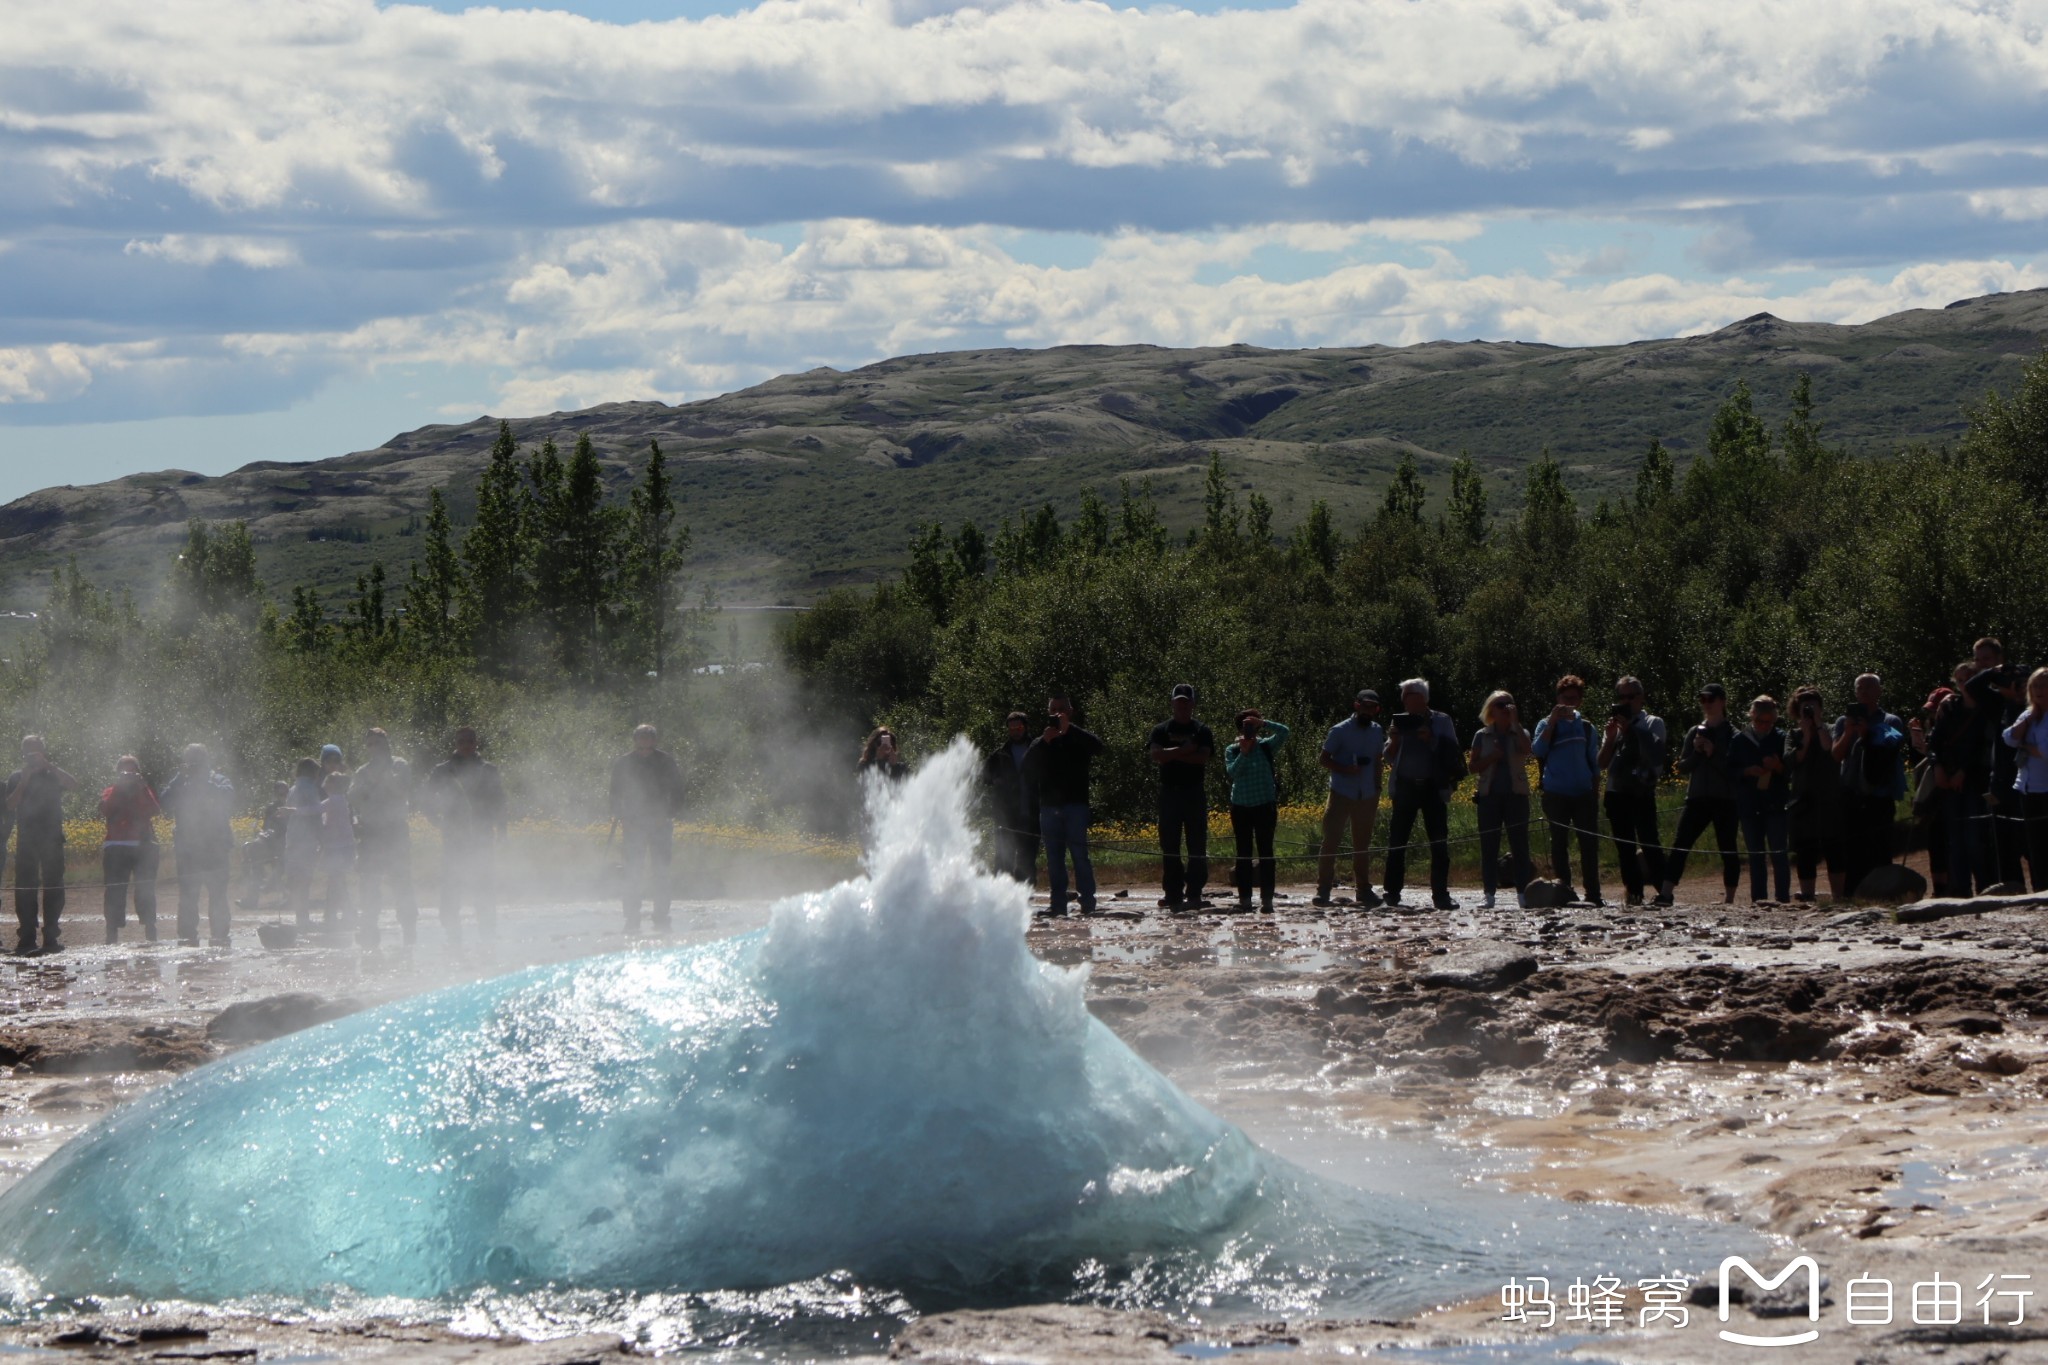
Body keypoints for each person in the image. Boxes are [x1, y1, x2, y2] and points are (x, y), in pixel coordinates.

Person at [1658, 683, 1740, 907]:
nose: (1706, 704)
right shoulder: (1694, 731)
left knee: (1728, 847)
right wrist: (1696, 751)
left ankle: (1730, 898)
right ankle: (1666, 893)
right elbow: (1682, 767)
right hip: (1696, 798)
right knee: (1680, 844)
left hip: (1725, 799)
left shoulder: (1733, 734)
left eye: (1710, 699)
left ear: (1722, 701)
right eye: (1702, 699)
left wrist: (1714, 753)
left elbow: (1735, 770)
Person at [1381, 679, 1460, 910]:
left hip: (1433, 786)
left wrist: (1431, 739)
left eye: (1408, 695)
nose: (1404, 699)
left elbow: (1453, 752)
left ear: (1421, 697)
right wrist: (1394, 739)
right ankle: (1392, 894)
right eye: (1403, 696)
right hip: (1405, 786)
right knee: (1397, 841)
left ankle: (1441, 894)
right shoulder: (1400, 719)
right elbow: (1388, 756)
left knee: (1438, 841)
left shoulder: (1442, 721)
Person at [1023, 694, 1105, 917]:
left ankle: (1088, 903)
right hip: (1049, 808)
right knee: (1054, 858)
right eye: (1053, 710)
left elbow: (1099, 747)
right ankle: (1058, 905)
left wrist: (1071, 729)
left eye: (1061, 709)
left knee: (1080, 855)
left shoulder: (1079, 736)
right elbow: (1026, 768)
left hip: (1076, 806)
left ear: (1070, 711)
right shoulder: (1042, 741)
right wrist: (1044, 741)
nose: (1057, 713)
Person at [423, 727, 507, 942]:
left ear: (476, 742)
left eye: (469, 741)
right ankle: (452, 932)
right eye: (461, 741)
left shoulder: (489, 770)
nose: (466, 745)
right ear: (456, 743)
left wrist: (503, 829)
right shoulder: (443, 771)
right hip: (454, 834)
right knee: (452, 882)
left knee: (484, 882)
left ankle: (487, 931)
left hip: (482, 834)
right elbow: (427, 799)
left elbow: (499, 801)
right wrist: (437, 821)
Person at [1831, 673, 1906, 897]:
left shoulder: (1890, 721)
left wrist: (1867, 736)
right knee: (1853, 849)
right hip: (1851, 793)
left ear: (1879, 691)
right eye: (1860, 688)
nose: (1864, 692)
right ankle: (1853, 896)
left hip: (1879, 794)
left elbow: (1890, 753)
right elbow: (1836, 755)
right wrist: (1849, 732)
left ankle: (1883, 895)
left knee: (1880, 847)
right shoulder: (1844, 722)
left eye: (1869, 688)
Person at [1530, 674, 1602, 906]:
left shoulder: (1587, 727)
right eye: (1564, 698)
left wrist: (1595, 790)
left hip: (1583, 792)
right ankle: (1564, 892)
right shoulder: (1545, 723)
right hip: (1556, 792)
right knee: (1559, 843)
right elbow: (1538, 750)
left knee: (1588, 844)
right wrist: (1552, 721)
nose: (1568, 703)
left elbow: (1594, 761)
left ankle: (1594, 894)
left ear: (1579, 700)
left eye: (1573, 698)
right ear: (1558, 698)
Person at [1597, 676, 1668, 906]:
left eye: (1631, 696)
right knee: (1624, 847)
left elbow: (1654, 753)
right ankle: (1634, 893)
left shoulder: (1652, 722)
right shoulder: (1615, 727)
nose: (1626, 702)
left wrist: (1631, 731)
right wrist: (1609, 739)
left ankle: (1664, 891)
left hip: (1641, 791)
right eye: (1622, 697)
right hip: (1616, 792)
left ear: (1641, 697)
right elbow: (1602, 762)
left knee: (1649, 842)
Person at [609, 723, 686, 933]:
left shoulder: (665, 761)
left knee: (661, 869)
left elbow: (678, 791)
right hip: (633, 823)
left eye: (649, 737)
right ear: (635, 740)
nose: (645, 741)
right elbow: (615, 793)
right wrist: (621, 816)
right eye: (642, 737)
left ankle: (661, 913)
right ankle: (632, 914)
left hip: (659, 822)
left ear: (655, 739)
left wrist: (668, 814)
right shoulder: (624, 763)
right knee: (633, 870)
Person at [6, 736, 78, 954]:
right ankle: (27, 935)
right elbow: (10, 805)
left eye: (36, 752)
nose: (32, 757)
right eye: (28, 753)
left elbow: (74, 785)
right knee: (25, 887)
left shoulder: (52, 773)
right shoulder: (17, 776)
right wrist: (24, 781)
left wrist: (50, 767)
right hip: (27, 839)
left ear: (43, 752)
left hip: (52, 836)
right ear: (23, 755)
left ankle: (51, 935)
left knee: (54, 886)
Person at [1315, 690, 1385, 909]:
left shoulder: (1377, 731)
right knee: (1331, 841)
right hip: (1341, 792)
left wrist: (1377, 786)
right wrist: (1345, 768)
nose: (1367, 710)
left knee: (1362, 844)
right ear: (1356, 706)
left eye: (1372, 707)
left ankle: (1363, 889)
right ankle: (1323, 889)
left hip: (1367, 794)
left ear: (1376, 710)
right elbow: (1323, 759)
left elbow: (1377, 759)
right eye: (1364, 706)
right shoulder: (1339, 730)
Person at [159, 743, 235, 946]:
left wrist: (204, 782)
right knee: (188, 896)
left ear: (206, 761)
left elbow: (228, 798)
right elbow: (163, 804)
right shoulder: (180, 783)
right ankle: (186, 938)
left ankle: (220, 936)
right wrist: (178, 779)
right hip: (188, 850)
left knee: (218, 894)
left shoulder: (219, 780)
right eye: (190, 760)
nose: (193, 765)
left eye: (197, 760)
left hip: (216, 848)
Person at [1149, 684, 1215, 910]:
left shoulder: (1202, 730)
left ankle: (1195, 891)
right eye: (1179, 701)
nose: (1182, 705)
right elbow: (1156, 755)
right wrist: (1184, 751)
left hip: (1194, 792)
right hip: (1169, 793)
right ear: (1172, 703)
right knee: (1169, 845)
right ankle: (1172, 893)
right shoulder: (1161, 729)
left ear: (1193, 704)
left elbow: (1203, 758)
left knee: (1197, 844)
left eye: (1186, 701)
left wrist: (1174, 755)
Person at [1469, 691, 1533, 910]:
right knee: (1489, 846)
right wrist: (1492, 757)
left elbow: (1528, 750)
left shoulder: (1520, 732)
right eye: (1500, 704)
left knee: (1520, 845)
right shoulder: (1481, 735)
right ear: (1491, 710)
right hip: (1489, 796)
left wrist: (1515, 725)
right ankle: (1488, 894)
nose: (1505, 708)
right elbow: (1472, 766)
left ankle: (1523, 893)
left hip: (1516, 795)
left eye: (1509, 704)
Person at [353, 729, 417, 947]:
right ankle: (369, 931)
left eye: (378, 743)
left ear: (387, 744)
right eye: (370, 744)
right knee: (369, 884)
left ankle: (409, 931)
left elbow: (402, 789)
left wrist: (383, 778)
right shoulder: (363, 771)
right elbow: (353, 796)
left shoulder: (399, 765)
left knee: (401, 882)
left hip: (394, 831)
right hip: (371, 834)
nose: (375, 748)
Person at [1224, 708, 1289, 913]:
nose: (1249, 728)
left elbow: (1285, 732)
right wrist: (1244, 752)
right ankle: (1245, 899)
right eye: (1246, 725)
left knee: (1266, 852)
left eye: (1252, 724)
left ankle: (1267, 900)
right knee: (1243, 853)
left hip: (1264, 805)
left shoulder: (1266, 746)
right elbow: (1233, 772)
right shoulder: (1232, 749)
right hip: (1241, 807)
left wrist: (1265, 723)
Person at [1787, 686, 1846, 901]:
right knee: (1805, 850)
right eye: (1805, 708)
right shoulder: (1793, 735)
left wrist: (1818, 726)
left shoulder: (1831, 729)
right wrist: (1805, 734)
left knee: (1834, 847)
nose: (1810, 712)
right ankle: (1807, 894)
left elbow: (1829, 750)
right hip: (1803, 799)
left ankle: (1838, 895)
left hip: (1829, 797)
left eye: (1813, 707)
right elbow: (1794, 760)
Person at [1732, 696, 1792, 904]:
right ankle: (1759, 899)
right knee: (1755, 854)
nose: (1764, 726)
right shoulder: (1739, 740)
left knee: (1778, 852)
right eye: (1760, 721)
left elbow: (1790, 771)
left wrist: (1777, 767)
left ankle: (1783, 898)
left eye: (1769, 721)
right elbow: (1730, 770)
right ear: (1752, 717)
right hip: (1749, 804)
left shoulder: (1782, 738)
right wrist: (1747, 771)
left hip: (1775, 802)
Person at [100, 756, 161, 944]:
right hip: (117, 846)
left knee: (146, 890)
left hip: (143, 845)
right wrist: (119, 787)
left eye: (132, 772)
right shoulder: (110, 790)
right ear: (117, 773)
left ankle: (150, 931)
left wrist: (142, 788)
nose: (128, 776)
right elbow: (106, 810)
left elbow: (155, 810)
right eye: (124, 772)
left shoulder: (144, 790)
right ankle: (112, 933)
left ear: (138, 773)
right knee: (114, 891)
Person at [2003, 668, 2048, 891]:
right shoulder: (2028, 714)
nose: (2040, 691)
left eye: (2044, 685)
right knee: (2034, 846)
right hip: (2028, 788)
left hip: (2046, 787)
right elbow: (2009, 738)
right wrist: (2026, 722)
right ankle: (2040, 890)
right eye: (2036, 686)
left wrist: (2028, 747)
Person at [983, 712, 1039, 884]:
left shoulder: (1037, 748)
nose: (1015, 731)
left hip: (1031, 811)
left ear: (1026, 727)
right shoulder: (1000, 754)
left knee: (1027, 856)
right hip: (1006, 814)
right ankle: (1001, 894)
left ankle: (1025, 895)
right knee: (1003, 855)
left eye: (1019, 727)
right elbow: (984, 776)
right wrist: (996, 779)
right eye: (1012, 728)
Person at [282, 756, 325, 928]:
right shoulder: (310, 788)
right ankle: (303, 919)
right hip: (306, 840)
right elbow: (316, 813)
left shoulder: (293, 788)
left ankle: (301, 916)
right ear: (313, 772)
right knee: (305, 879)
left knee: (297, 879)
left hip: (293, 838)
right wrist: (322, 837)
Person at [318, 770, 356, 927]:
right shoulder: (341, 800)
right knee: (336, 881)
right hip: (342, 846)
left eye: (327, 781)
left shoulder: (334, 800)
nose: (324, 783)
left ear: (333, 785)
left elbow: (314, 810)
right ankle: (333, 915)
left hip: (336, 848)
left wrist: (293, 811)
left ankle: (346, 914)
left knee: (336, 881)